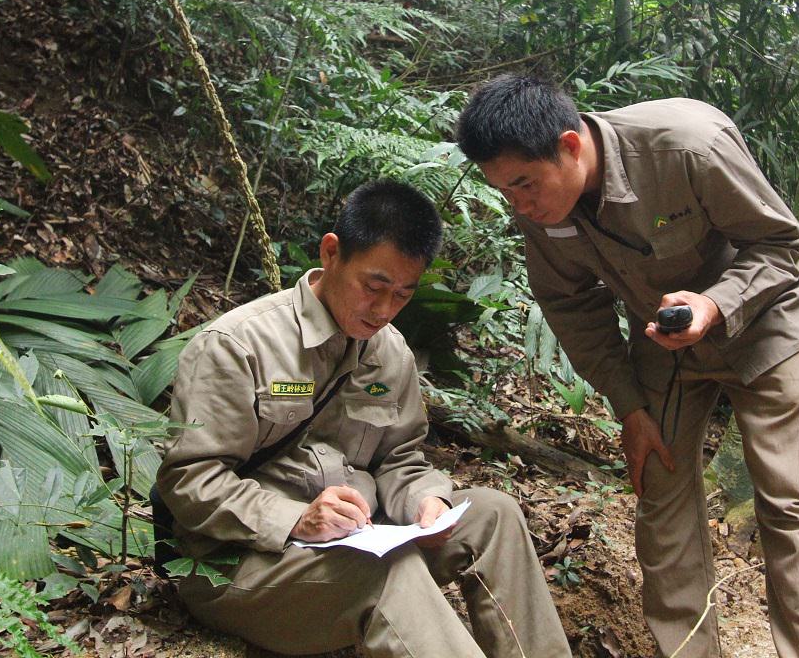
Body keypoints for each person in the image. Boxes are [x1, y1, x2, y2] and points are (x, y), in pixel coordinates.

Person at [454, 76, 799, 658]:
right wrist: (630, 407)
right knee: (661, 496)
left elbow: (781, 246)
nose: (521, 206)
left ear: (569, 145)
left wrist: (714, 305)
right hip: (666, 339)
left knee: (794, 501)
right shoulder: (540, 205)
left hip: (769, 319)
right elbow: (571, 307)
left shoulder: (686, 146)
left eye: (524, 186)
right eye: (505, 192)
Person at [155, 178, 571, 658]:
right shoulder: (239, 345)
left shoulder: (390, 352)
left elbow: (401, 459)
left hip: (353, 544)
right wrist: (296, 519)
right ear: (332, 253)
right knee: (389, 572)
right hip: (240, 565)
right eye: (373, 288)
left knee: (494, 516)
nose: (384, 310)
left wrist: (425, 502)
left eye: (402, 295)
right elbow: (190, 480)